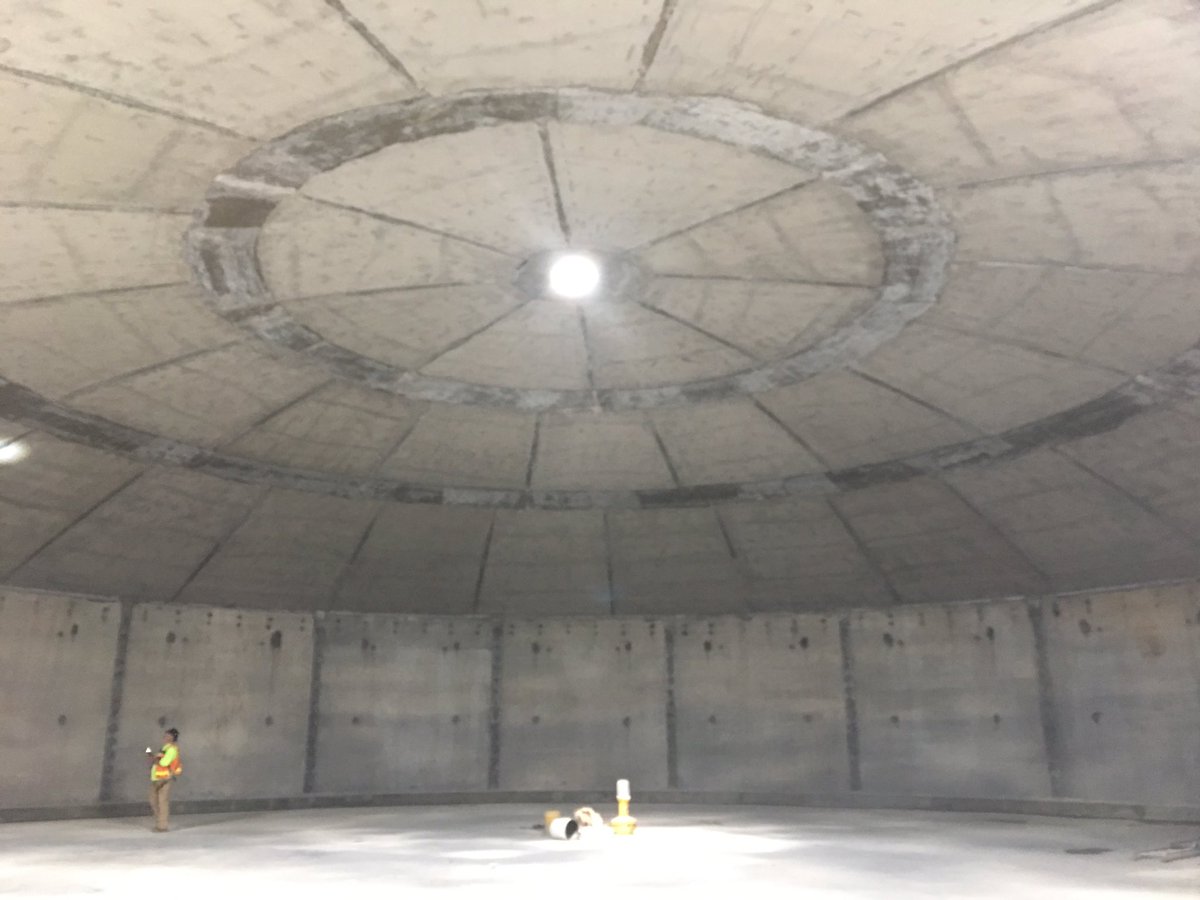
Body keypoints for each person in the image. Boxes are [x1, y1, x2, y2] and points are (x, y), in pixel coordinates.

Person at [146, 728, 182, 832]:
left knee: (162, 802)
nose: (164, 737)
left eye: (167, 736)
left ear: (172, 737)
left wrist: (153, 758)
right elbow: (158, 760)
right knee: (154, 800)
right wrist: (152, 756)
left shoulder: (171, 749)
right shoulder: (165, 748)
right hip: (158, 778)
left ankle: (162, 826)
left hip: (165, 778)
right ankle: (160, 822)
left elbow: (163, 763)